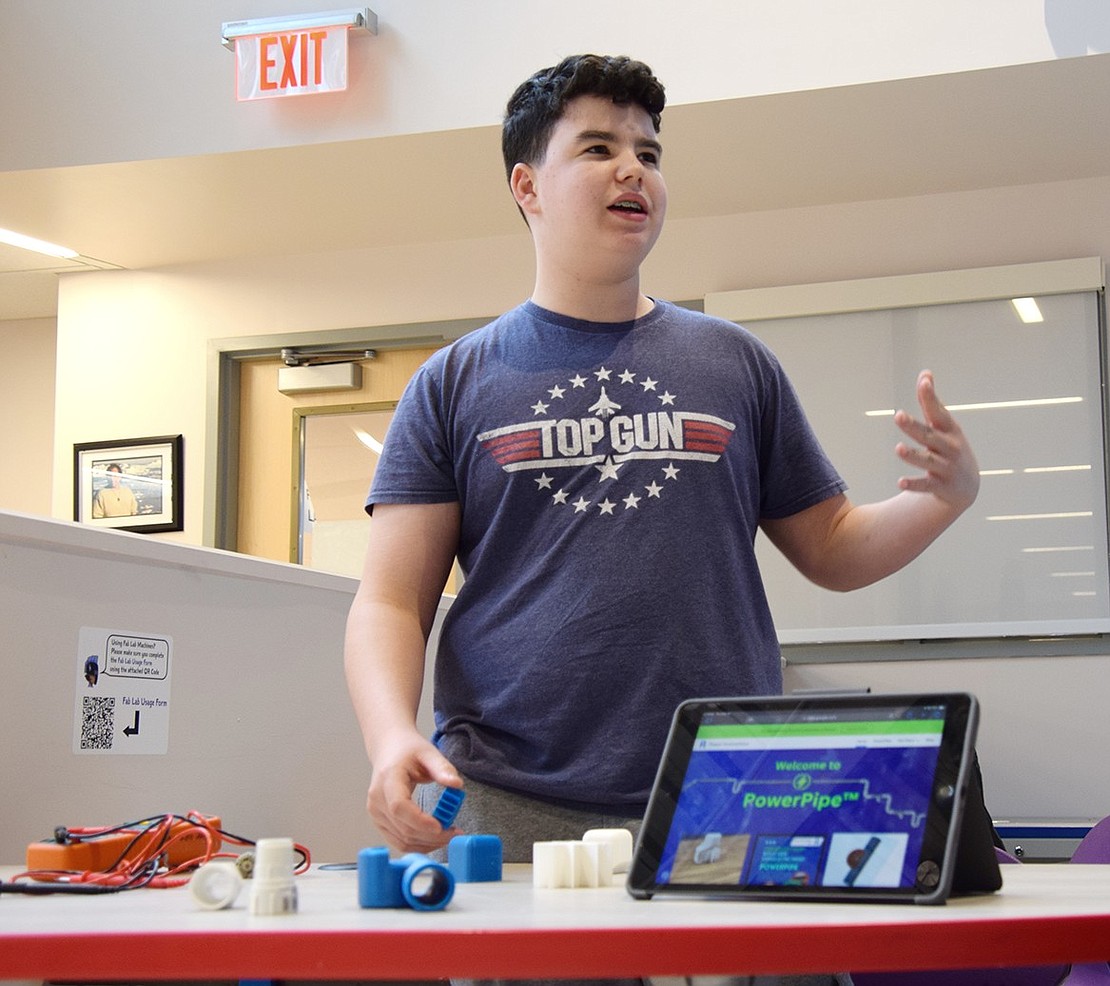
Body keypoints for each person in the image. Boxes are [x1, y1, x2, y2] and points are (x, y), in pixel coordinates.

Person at [344, 54, 979, 986]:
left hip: (733, 796)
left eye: (647, 150)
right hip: (516, 799)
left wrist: (939, 500)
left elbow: (834, 550)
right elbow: (391, 602)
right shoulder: (454, 382)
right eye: (596, 148)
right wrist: (390, 735)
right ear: (527, 186)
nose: (631, 169)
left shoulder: (734, 364)